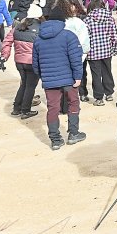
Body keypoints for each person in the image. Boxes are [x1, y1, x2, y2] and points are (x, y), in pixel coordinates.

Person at [32, 8, 85, 151]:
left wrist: (45, 77)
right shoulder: (69, 35)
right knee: (73, 103)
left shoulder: (38, 39)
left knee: (52, 108)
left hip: (49, 81)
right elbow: (76, 59)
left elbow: (35, 64)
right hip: (69, 79)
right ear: (63, 21)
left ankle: (55, 140)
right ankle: (73, 133)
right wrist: (78, 77)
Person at [0, 17, 39, 119]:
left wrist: (4, 56)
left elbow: (7, 42)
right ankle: (25, 110)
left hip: (19, 62)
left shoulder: (17, 28)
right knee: (30, 86)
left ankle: (16, 108)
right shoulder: (40, 28)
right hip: (32, 62)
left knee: (24, 84)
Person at [84, 0, 117, 106]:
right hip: (107, 50)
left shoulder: (87, 20)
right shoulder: (109, 18)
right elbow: (114, 36)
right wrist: (115, 49)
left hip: (93, 51)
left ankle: (99, 98)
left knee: (96, 75)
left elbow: (86, 38)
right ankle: (109, 93)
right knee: (107, 72)